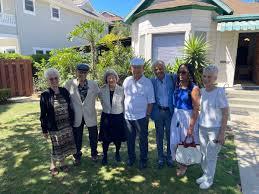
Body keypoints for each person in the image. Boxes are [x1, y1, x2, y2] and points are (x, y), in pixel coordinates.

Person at [196, 65, 229, 189]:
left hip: (214, 130)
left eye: (209, 77)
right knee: (203, 154)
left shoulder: (219, 92)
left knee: (211, 156)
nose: (206, 79)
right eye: (204, 76)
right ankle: (205, 175)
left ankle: (209, 180)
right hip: (202, 127)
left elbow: (225, 113)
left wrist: (222, 133)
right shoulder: (202, 91)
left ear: (215, 78)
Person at [40, 68, 76, 176]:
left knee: (63, 145)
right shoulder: (45, 95)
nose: (54, 81)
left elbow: (70, 107)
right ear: (47, 80)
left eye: (56, 78)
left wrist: (72, 121)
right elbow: (43, 114)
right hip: (54, 126)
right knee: (56, 146)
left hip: (66, 124)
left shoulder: (64, 91)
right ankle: (54, 165)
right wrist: (44, 130)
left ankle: (62, 162)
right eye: (51, 79)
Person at [123, 58, 155, 169]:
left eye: (139, 67)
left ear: (143, 69)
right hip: (128, 117)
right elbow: (124, 97)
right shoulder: (127, 80)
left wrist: (147, 116)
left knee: (143, 140)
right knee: (130, 140)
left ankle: (143, 160)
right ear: (131, 68)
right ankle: (131, 158)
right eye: (134, 67)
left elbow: (151, 102)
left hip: (141, 117)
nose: (136, 70)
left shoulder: (148, 83)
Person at [65, 64, 100, 165]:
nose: (82, 74)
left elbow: (101, 95)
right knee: (77, 137)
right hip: (76, 115)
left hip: (90, 114)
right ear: (76, 72)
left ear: (87, 73)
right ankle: (77, 156)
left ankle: (94, 154)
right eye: (80, 72)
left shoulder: (93, 84)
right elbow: (64, 98)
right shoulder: (69, 84)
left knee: (93, 136)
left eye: (84, 72)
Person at [170, 63, 200, 176]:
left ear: (189, 74)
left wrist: (191, 127)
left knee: (185, 143)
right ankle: (181, 161)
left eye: (184, 72)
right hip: (176, 116)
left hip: (187, 118)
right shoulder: (178, 85)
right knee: (174, 142)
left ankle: (184, 166)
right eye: (179, 72)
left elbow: (196, 109)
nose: (181, 75)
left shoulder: (194, 88)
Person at [150, 60, 176, 169]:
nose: (158, 71)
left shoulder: (172, 78)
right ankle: (160, 157)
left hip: (170, 112)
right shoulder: (152, 81)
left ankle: (170, 156)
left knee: (170, 135)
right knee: (159, 135)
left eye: (160, 68)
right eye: (155, 69)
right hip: (158, 112)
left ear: (164, 68)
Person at [98, 69, 127, 165]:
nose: (111, 79)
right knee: (105, 139)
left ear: (116, 78)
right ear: (106, 79)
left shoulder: (122, 90)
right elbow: (101, 101)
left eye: (113, 77)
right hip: (106, 117)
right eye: (109, 77)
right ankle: (105, 155)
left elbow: (124, 103)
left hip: (118, 117)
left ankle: (117, 153)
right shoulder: (102, 90)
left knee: (117, 138)